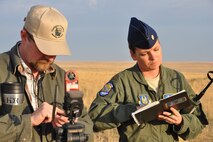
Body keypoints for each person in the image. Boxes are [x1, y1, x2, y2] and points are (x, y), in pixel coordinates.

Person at [88, 17, 208, 142]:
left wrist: (181, 122)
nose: (153, 57)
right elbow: (94, 116)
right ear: (133, 55)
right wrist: (132, 110)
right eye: (145, 54)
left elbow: (198, 122)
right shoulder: (122, 81)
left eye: (156, 49)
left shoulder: (176, 79)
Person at [0, 5, 93, 142]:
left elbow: (87, 126)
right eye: (44, 49)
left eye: (55, 50)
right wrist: (30, 120)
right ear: (24, 36)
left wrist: (70, 129)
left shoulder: (63, 78)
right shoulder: (2, 71)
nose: (50, 57)